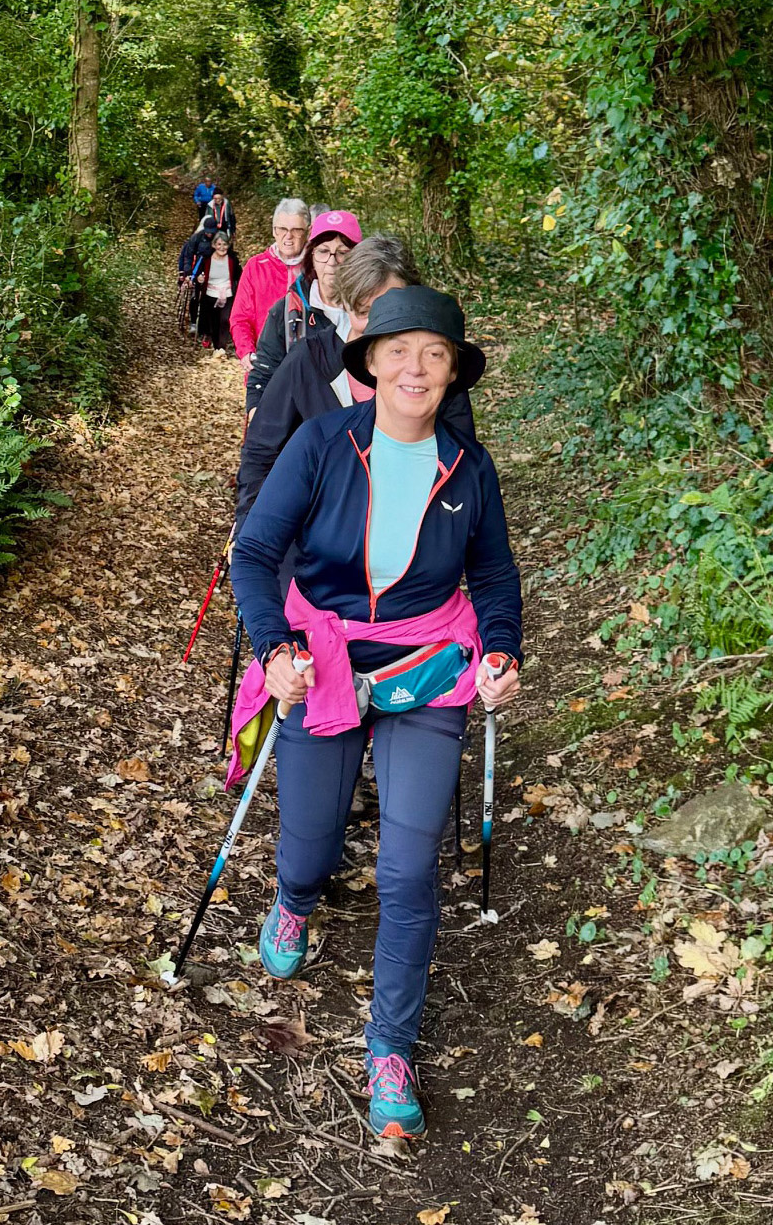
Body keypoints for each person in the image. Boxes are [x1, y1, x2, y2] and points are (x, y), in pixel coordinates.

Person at [228, 285, 522, 1141]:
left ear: (454, 372)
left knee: (406, 870)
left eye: (435, 354)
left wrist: (500, 651)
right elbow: (255, 552)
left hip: (426, 672)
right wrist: (276, 648)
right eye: (400, 351)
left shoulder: (469, 470)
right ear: (370, 361)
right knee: (312, 846)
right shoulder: (323, 444)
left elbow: (495, 578)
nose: (416, 368)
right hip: (321, 663)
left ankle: (389, 1047)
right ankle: (292, 898)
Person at [237, 235, 475, 531]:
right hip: (311, 551)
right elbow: (261, 451)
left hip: (410, 548)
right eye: (364, 312)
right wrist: (253, 532)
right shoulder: (308, 362)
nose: (378, 325)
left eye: (390, 310)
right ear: (346, 304)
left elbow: (463, 462)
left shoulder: (433, 373)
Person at [246, 209, 362, 412]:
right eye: (323, 251)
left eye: (343, 252)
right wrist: (258, 417)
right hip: (303, 435)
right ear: (311, 257)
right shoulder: (289, 311)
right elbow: (264, 374)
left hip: (364, 434)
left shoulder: (373, 311)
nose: (332, 262)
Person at [229, 198, 311, 382]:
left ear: (308, 232)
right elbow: (240, 318)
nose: (288, 236)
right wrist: (247, 352)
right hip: (266, 370)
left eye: (296, 230)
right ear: (274, 231)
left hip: (310, 372)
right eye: (282, 229)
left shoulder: (318, 267)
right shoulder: (256, 266)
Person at [195, 231, 242, 351]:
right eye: (219, 244)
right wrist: (199, 279)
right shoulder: (206, 259)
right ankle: (215, 343)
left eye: (225, 244)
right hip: (210, 295)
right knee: (214, 322)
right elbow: (198, 274)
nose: (222, 247)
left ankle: (221, 347)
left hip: (227, 294)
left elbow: (239, 276)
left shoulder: (232, 259)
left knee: (225, 320)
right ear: (214, 245)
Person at [178, 217, 219, 332]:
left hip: (213, 270)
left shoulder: (219, 238)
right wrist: (188, 274)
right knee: (194, 297)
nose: (209, 234)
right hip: (197, 269)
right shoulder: (196, 238)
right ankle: (193, 322)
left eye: (212, 232)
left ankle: (206, 324)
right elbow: (188, 257)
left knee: (210, 298)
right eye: (207, 231)